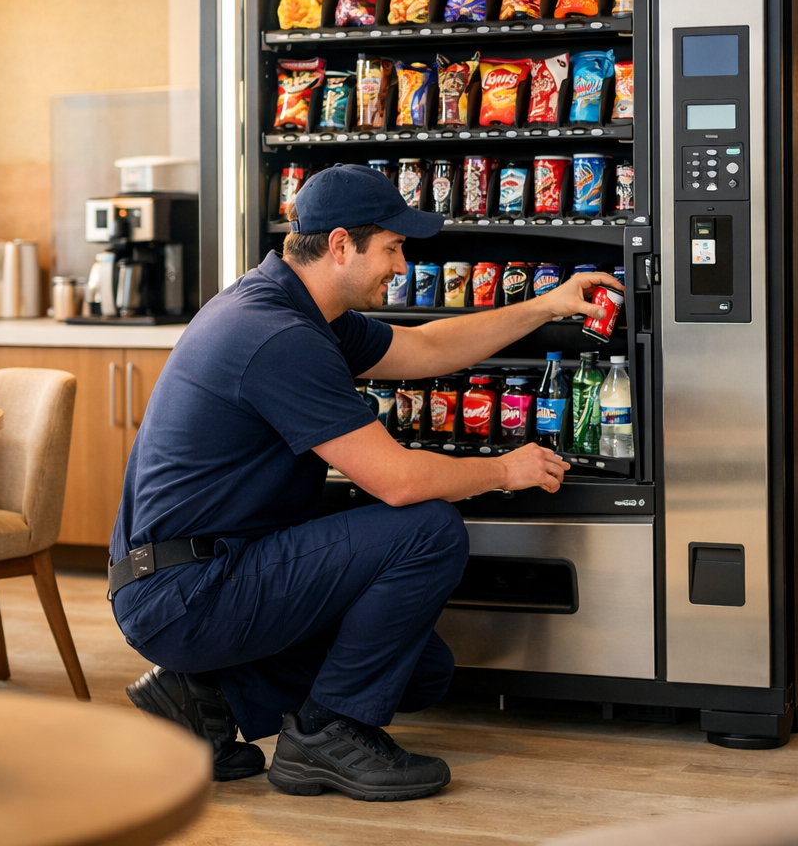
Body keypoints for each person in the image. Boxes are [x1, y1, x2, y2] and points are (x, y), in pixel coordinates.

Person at [108, 163, 621, 802]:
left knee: (421, 672)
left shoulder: (296, 307)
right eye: (393, 248)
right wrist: (504, 469)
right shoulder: (278, 336)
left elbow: (427, 350)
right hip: (185, 591)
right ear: (341, 245)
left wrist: (547, 304)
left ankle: (202, 696)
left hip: (195, 574)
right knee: (427, 528)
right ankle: (326, 737)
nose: (401, 267)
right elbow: (398, 482)